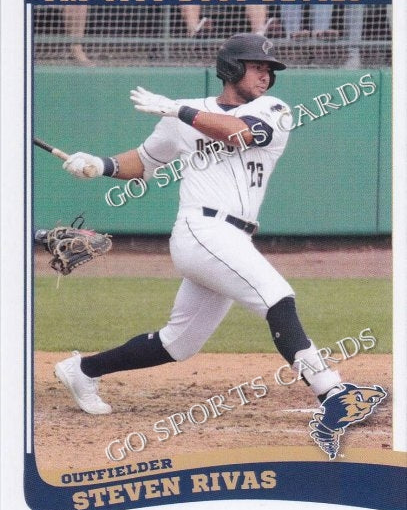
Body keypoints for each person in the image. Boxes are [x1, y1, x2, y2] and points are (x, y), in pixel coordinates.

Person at [54, 35, 380, 449]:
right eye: (256, 66)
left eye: (269, 69)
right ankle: (332, 393)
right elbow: (144, 162)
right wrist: (97, 165)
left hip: (234, 237)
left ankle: (82, 370)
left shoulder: (273, 110)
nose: (265, 75)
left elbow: (239, 134)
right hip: (201, 229)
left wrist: (178, 109)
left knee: (179, 344)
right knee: (276, 296)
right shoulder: (180, 116)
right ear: (231, 68)